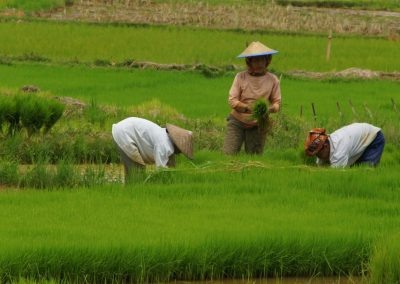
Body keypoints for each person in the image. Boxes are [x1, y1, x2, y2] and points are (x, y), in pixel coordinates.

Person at [223, 41, 281, 155]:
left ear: (267, 61)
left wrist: (269, 109)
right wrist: (247, 108)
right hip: (237, 121)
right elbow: (232, 100)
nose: (259, 63)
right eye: (255, 60)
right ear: (249, 61)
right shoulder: (240, 77)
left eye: (261, 60)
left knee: (253, 158)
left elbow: (277, 103)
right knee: (229, 154)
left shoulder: (273, 80)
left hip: (258, 124)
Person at [112, 117, 193, 182]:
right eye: (180, 150)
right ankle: (132, 193)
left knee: (134, 173)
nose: (179, 153)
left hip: (125, 129)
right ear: (177, 145)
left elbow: (171, 165)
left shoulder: (165, 137)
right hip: (125, 134)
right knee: (137, 171)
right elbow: (161, 169)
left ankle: (130, 191)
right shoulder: (164, 144)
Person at [304, 123, 385, 168]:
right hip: (358, 139)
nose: (318, 157)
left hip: (373, 137)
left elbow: (336, 175)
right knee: (355, 171)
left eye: (318, 154)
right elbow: (322, 167)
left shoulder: (339, 151)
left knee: (365, 171)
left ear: (325, 146)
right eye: (316, 154)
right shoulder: (326, 144)